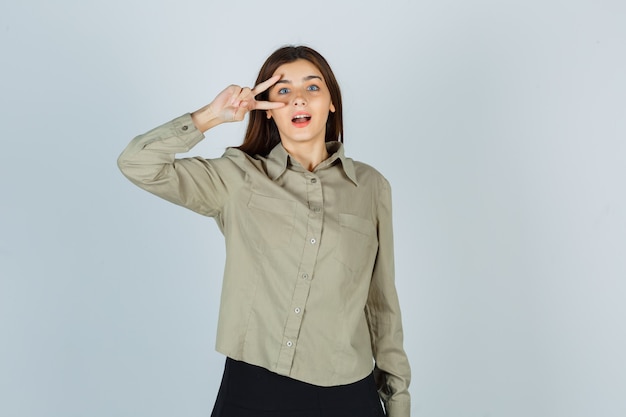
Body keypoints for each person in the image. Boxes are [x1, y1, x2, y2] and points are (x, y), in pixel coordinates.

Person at [118, 45, 411, 417]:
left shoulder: (370, 187)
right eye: (283, 91)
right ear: (268, 109)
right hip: (254, 390)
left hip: (348, 394)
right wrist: (212, 115)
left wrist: (398, 402)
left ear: (332, 102)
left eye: (312, 87)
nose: (298, 99)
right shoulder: (237, 178)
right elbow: (137, 163)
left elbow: (381, 304)